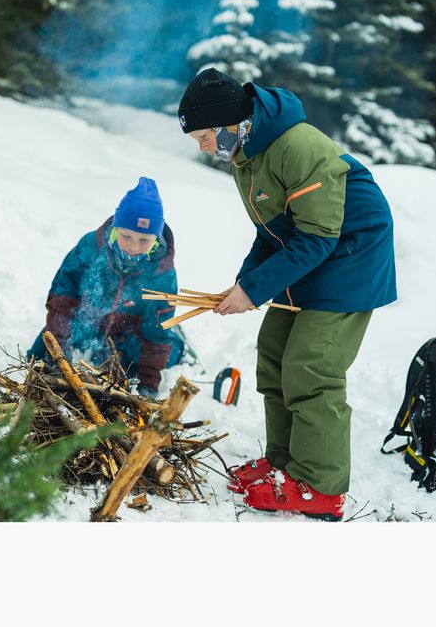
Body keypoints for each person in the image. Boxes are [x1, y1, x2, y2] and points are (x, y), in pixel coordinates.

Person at [177, 68, 396, 521]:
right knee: (275, 354)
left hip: (351, 253)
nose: (201, 146)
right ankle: (284, 464)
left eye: (202, 136)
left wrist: (254, 290)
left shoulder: (297, 145)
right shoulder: (245, 155)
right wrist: (244, 284)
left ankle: (320, 485)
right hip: (313, 249)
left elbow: (317, 235)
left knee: (311, 367)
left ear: (228, 124)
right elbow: (271, 233)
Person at [28, 177, 183, 398]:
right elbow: (62, 301)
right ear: (116, 227)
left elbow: (155, 332)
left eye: (144, 240)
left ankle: (180, 341)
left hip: (129, 334)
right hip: (87, 322)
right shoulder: (91, 247)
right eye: (126, 236)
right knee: (39, 354)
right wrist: (58, 355)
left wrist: (148, 384)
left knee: (158, 357)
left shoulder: (161, 273)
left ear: (156, 239)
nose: (133, 246)